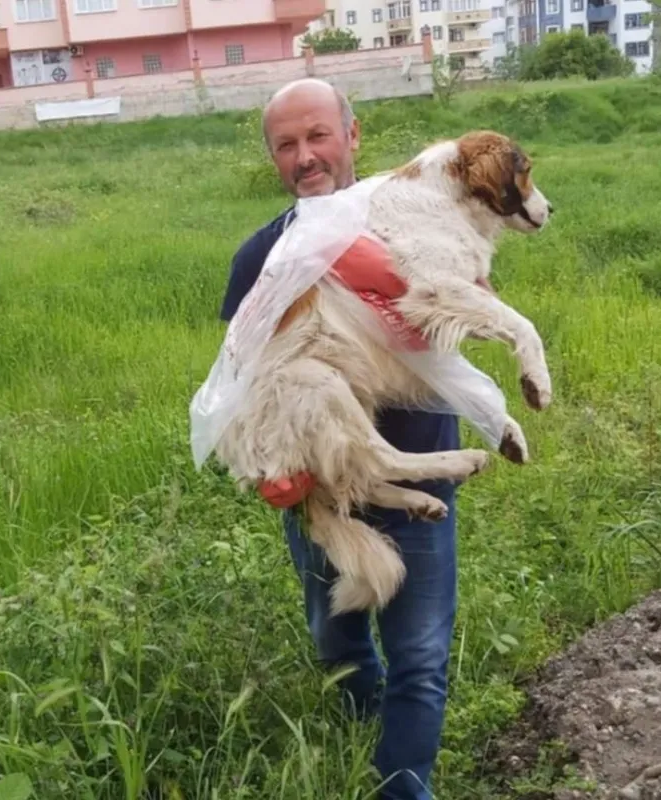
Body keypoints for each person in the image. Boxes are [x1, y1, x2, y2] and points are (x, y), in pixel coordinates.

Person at [218, 78, 479, 800]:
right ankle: (366, 724)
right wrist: (275, 468)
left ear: (353, 136)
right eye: (287, 145)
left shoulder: (417, 234)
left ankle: (402, 788)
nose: (306, 156)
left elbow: (463, 314)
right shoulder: (259, 260)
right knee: (336, 639)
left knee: (420, 655)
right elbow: (247, 386)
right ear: (273, 157)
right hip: (321, 491)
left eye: (319, 136)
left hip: (416, 478)